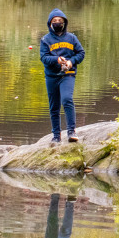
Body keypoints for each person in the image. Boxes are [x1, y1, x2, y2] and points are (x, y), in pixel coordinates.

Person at [40, 8, 85, 143]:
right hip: (52, 76)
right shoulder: (45, 40)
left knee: (67, 99)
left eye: (60, 21)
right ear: (50, 23)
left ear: (64, 22)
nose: (58, 23)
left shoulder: (72, 38)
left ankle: (71, 131)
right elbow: (44, 58)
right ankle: (56, 136)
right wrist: (57, 60)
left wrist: (71, 61)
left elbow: (81, 53)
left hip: (68, 75)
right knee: (54, 106)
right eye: (55, 21)